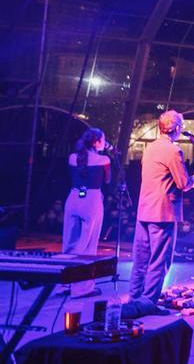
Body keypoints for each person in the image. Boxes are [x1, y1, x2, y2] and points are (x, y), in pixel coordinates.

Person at [129, 110, 194, 311]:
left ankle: (135, 298)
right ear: (177, 128)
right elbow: (182, 182)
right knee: (160, 260)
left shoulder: (150, 147)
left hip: (144, 209)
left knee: (141, 258)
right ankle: (147, 303)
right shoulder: (173, 150)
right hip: (162, 212)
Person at [62, 127, 111, 298]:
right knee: (88, 244)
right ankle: (82, 288)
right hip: (92, 199)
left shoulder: (72, 158)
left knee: (69, 242)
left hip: (74, 196)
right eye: (103, 140)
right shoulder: (103, 159)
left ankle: (65, 284)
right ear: (97, 142)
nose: (105, 143)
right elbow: (107, 180)